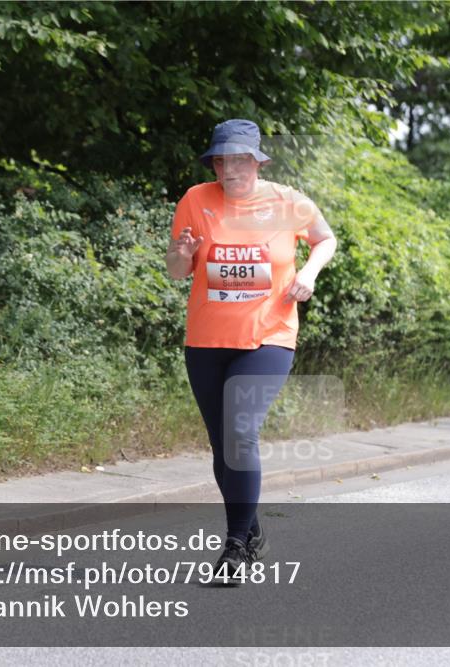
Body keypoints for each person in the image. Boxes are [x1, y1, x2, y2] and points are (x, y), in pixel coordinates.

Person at [165, 119, 337, 583]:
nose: (229, 169)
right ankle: (251, 526)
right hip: (205, 341)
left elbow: (326, 239)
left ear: (257, 161)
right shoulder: (196, 200)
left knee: (240, 432)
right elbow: (177, 271)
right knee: (223, 446)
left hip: (269, 336)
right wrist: (182, 252)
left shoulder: (287, 201)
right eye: (221, 160)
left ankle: (236, 548)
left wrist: (311, 274)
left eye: (239, 159)